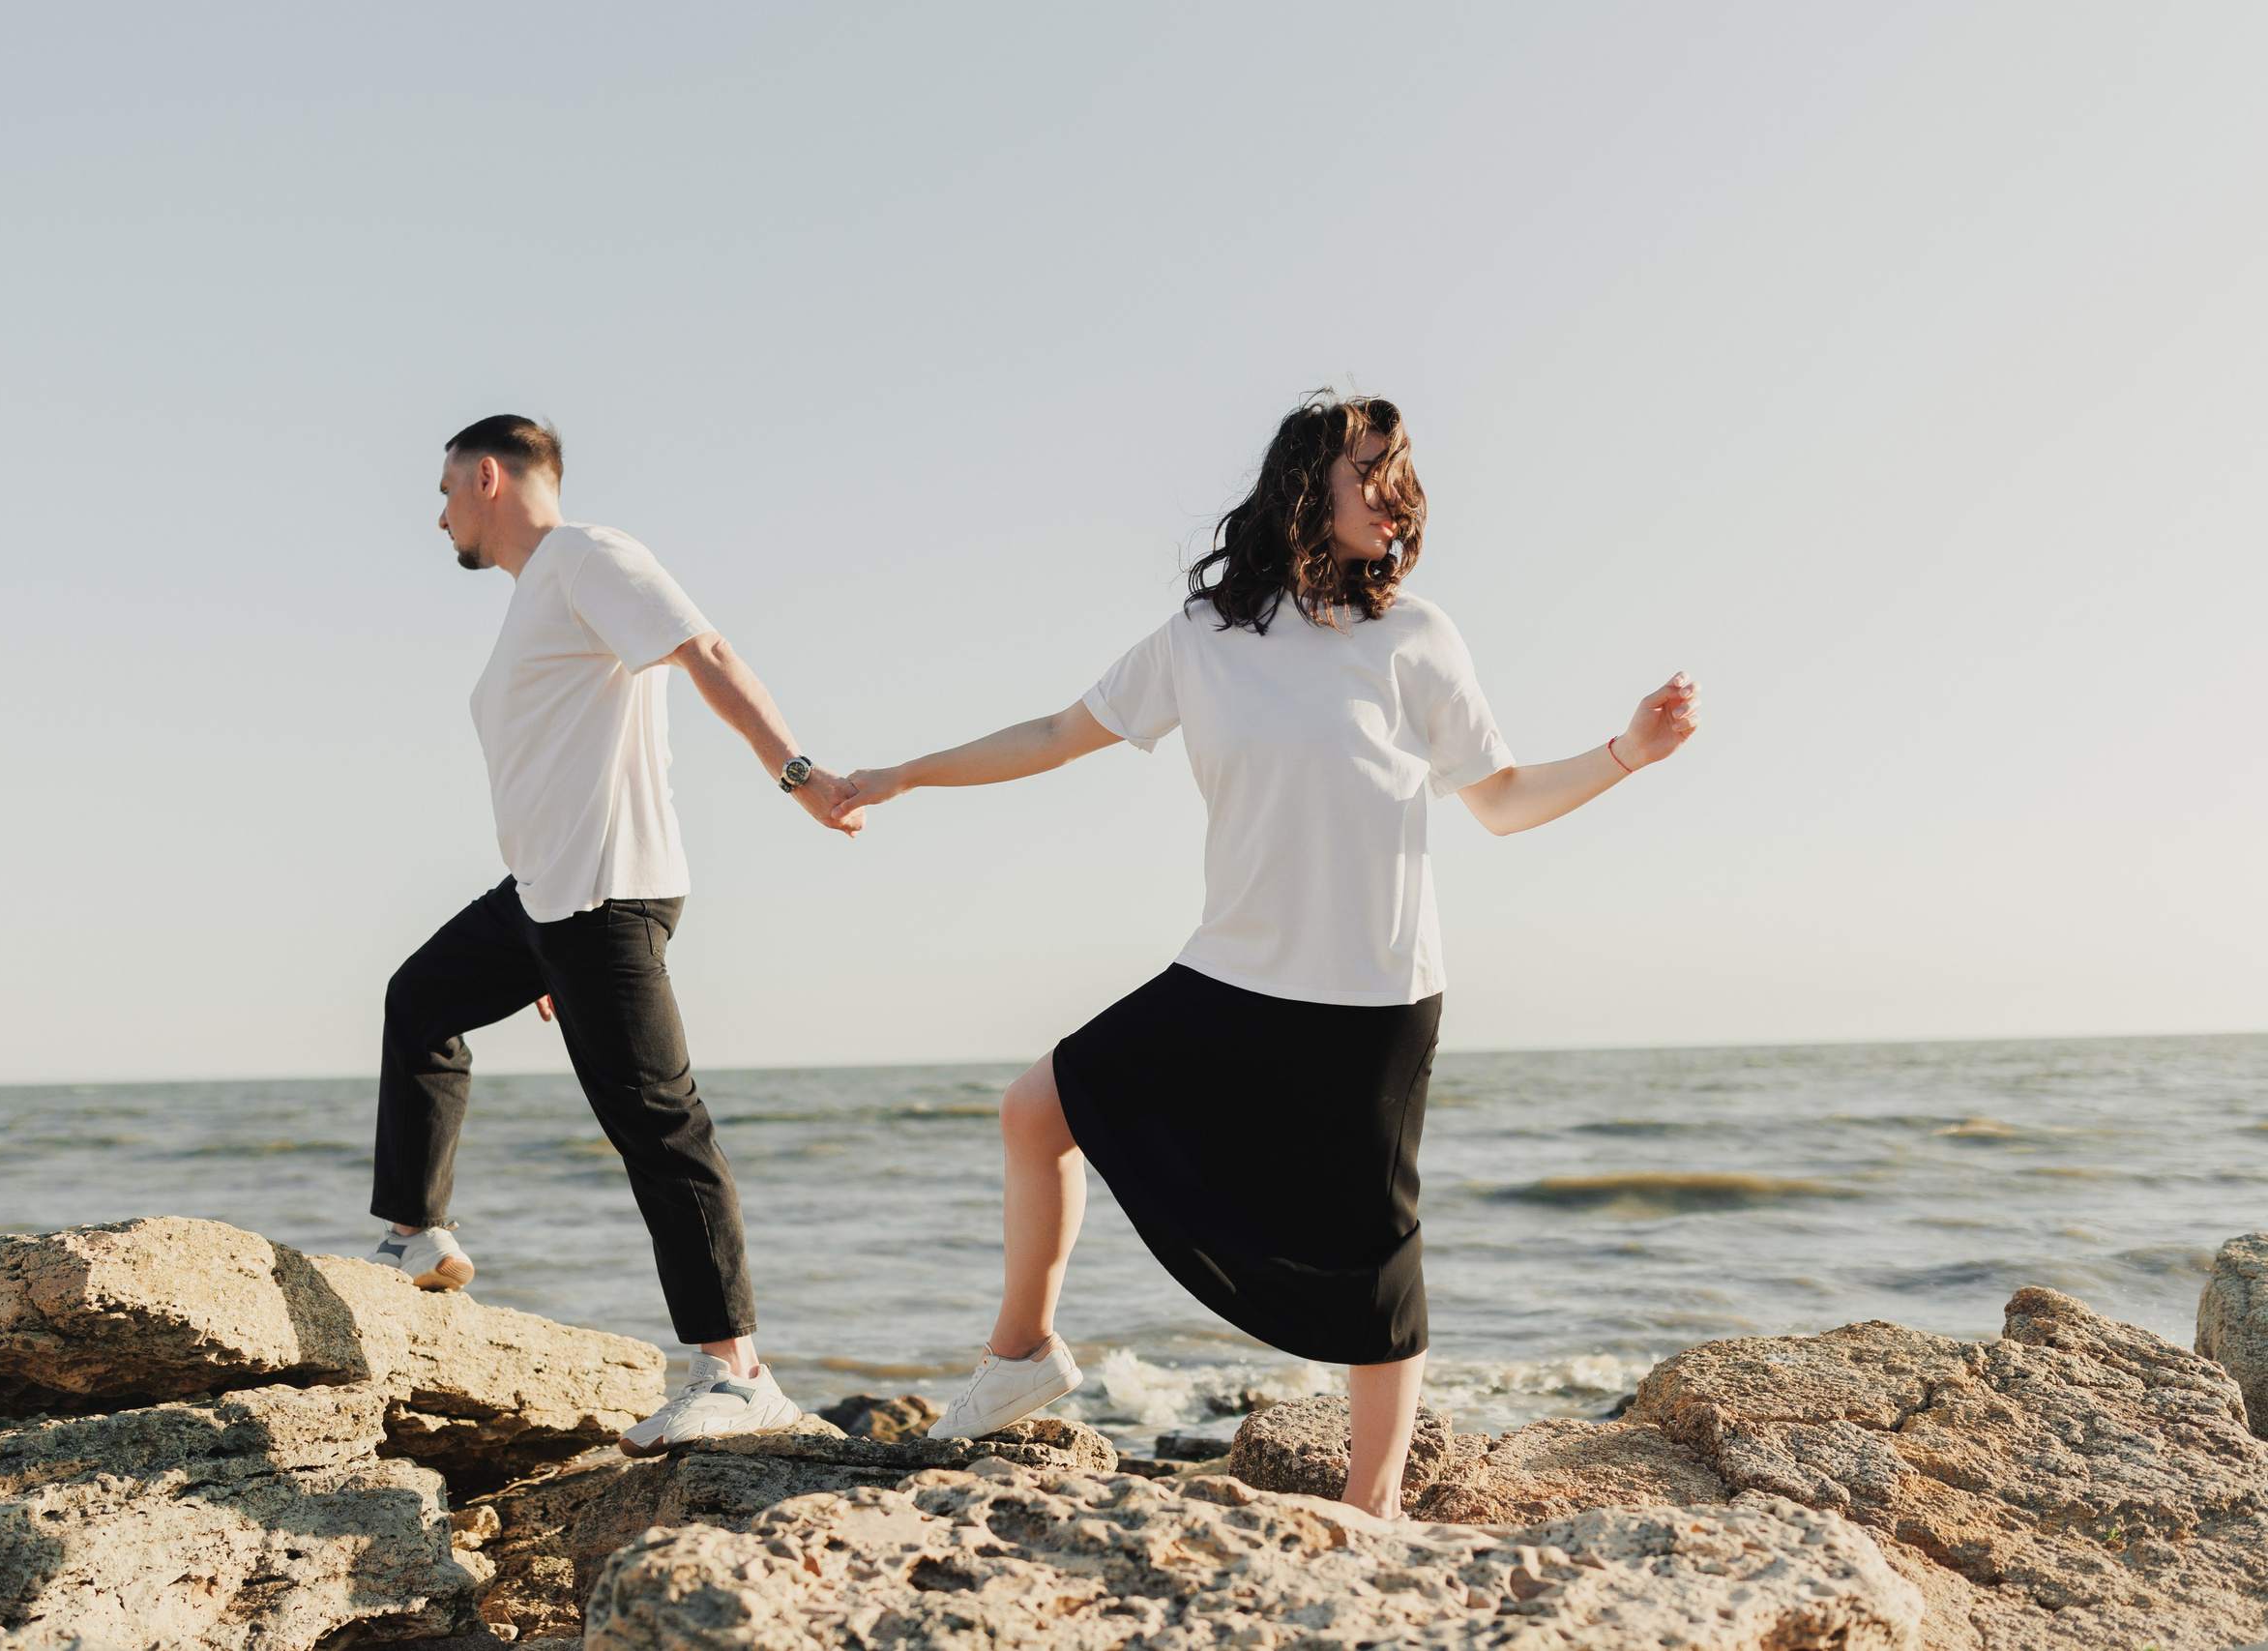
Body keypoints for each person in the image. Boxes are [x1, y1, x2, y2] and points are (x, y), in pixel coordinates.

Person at [830, 392, 1699, 1518]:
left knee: (1372, 1248)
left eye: (1404, 479)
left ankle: (1370, 1505)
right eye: (1373, 474)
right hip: (1235, 969)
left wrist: (1625, 751)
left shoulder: (1416, 638)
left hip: (1378, 988)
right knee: (1037, 1108)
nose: (1399, 499)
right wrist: (900, 774)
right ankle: (1022, 1355)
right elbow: (1054, 735)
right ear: (1306, 487)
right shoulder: (1204, 638)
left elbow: (1501, 801)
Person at [368, 414, 866, 1456]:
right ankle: (417, 1235)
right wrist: (547, 950)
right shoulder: (536, 602)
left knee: (658, 1124)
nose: (440, 512)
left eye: (446, 488)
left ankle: (735, 1376)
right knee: (420, 1000)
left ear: (489, 478)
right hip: (549, 898)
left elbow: (705, 649)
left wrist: (797, 774)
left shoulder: (589, 556)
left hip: (605, 895)